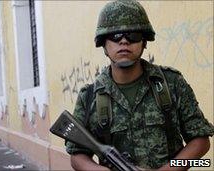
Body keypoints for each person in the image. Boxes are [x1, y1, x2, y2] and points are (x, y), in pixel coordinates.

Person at [65, 0, 214, 170]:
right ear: (104, 45)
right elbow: (76, 155)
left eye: (133, 35)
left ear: (144, 42)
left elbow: (202, 143)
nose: (124, 42)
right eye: (115, 36)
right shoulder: (89, 96)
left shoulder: (171, 83)